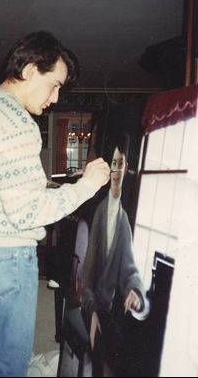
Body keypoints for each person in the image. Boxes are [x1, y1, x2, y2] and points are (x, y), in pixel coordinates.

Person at [0, 30, 110, 377]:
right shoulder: (17, 122)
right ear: (32, 69)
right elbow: (28, 213)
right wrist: (86, 186)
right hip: (5, 257)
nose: (55, 97)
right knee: (7, 364)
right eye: (55, 84)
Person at [82, 132, 148, 376]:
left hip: (108, 309)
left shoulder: (122, 218)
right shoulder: (95, 211)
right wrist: (92, 312)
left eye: (120, 163)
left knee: (134, 351)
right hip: (89, 303)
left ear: (126, 166)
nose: (117, 170)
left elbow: (129, 269)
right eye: (112, 164)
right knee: (110, 350)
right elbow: (84, 276)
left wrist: (135, 291)